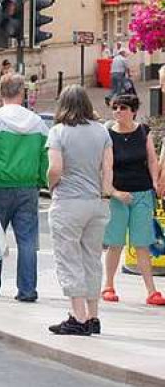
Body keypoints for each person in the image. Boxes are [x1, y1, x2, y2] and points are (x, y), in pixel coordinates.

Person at [46, 85, 113, 335]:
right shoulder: (101, 131)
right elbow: (108, 168)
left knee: (69, 259)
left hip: (68, 202)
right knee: (92, 259)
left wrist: (51, 186)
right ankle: (93, 316)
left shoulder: (58, 132)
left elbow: (55, 169)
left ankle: (79, 318)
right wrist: (105, 195)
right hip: (97, 202)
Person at [0, 73, 49, 301]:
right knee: (27, 241)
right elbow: (45, 157)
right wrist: (42, 182)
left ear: (1, 93)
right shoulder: (37, 123)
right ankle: (27, 290)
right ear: (22, 93)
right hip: (28, 188)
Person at [101, 93, 165, 306]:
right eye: (115, 108)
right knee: (115, 242)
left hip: (142, 192)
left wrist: (155, 183)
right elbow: (107, 166)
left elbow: (152, 159)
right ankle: (108, 285)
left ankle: (151, 291)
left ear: (133, 111)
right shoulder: (109, 135)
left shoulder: (143, 131)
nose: (118, 112)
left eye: (123, 108)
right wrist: (113, 192)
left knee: (142, 243)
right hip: (120, 195)